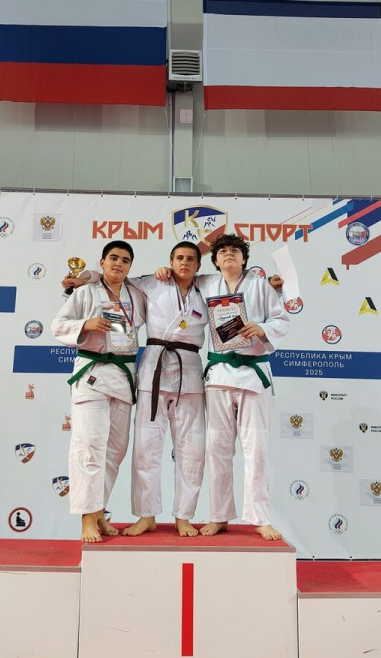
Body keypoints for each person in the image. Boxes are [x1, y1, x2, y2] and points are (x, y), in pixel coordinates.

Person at [66, 241, 207, 537]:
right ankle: (146, 515)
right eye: (179, 258)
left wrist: (275, 287)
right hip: (152, 371)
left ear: (198, 265)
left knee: (191, 450)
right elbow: (110, 278)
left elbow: (240, 284)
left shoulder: (207, 287)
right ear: (170, 261)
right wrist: (84, 278)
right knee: (145, 450)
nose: (184, 263)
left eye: (190, 259)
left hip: (188, 372)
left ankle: (183, 515)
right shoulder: (152, 283)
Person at [159, 233, 289, 540]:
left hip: (253, 375)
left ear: (244, 258)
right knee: (217, 448)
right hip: (218, 376)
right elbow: (182, 276)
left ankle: (260, 517)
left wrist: (263, 328)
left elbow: (281, 319)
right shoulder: (206, 284)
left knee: (256, 448)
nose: (229, 254)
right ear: (215, 261)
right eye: (223, 251)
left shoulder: (260, 285)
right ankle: (219, 515)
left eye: (235, 250)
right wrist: (163, 271)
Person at [51, 240, 146, 543]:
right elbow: (58, 325)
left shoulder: (136, 294)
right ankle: (86, 520)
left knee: (115, 451)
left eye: (125, 260)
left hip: (123, 375)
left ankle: (98, 511)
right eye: (113, 258)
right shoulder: (85, 292)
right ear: (102, 262)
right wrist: (87, 323)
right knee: (89, 447)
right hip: (92, 373)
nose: (119, 264)